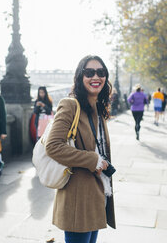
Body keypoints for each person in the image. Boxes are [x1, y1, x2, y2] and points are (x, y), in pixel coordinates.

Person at [45, 55, 116, 243]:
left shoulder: (97, 108)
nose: (96, 77)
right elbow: (53, 146)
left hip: (96, 192)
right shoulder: (70, 105)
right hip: (78, 197)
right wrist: (93, 160)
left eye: (101, 72)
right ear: (80, 76)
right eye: (89, 72)